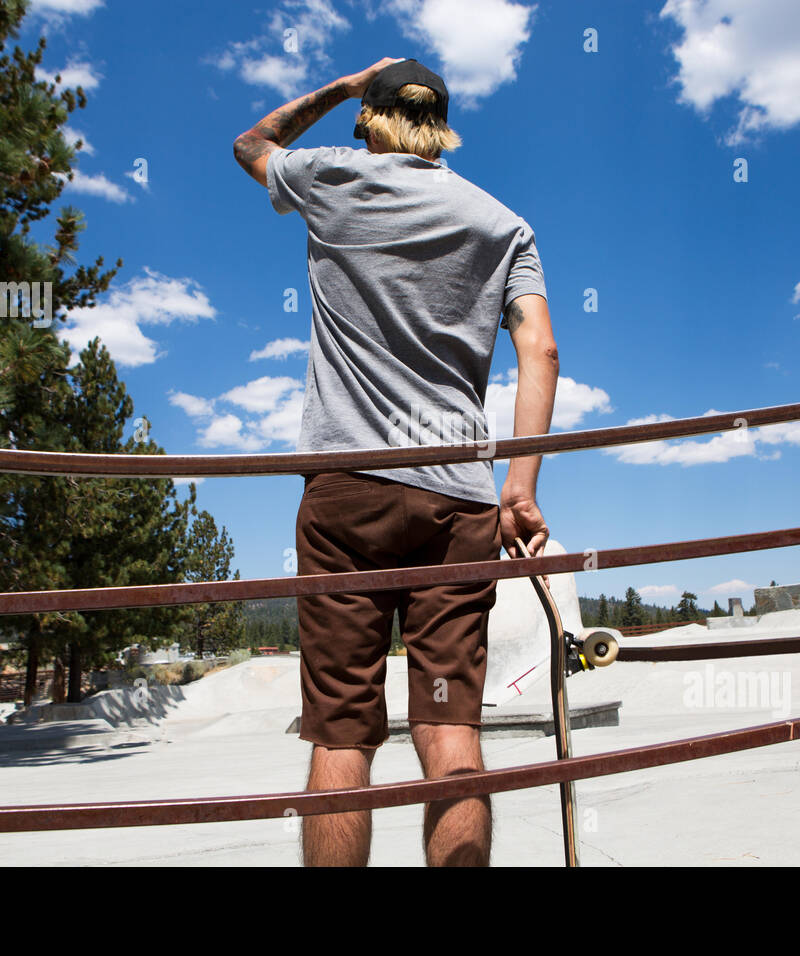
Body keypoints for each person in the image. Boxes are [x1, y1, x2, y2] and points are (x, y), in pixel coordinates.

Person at [233, 57, 559, 867]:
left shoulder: (332, 179)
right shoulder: (502, 223)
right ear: (441, 125)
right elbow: (542, 349)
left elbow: (251, 144)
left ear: (372, 121)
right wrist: (518, 486)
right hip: (458, 502)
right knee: (450, 729)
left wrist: (343, 87)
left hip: (349, 494)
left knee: (341, 734)